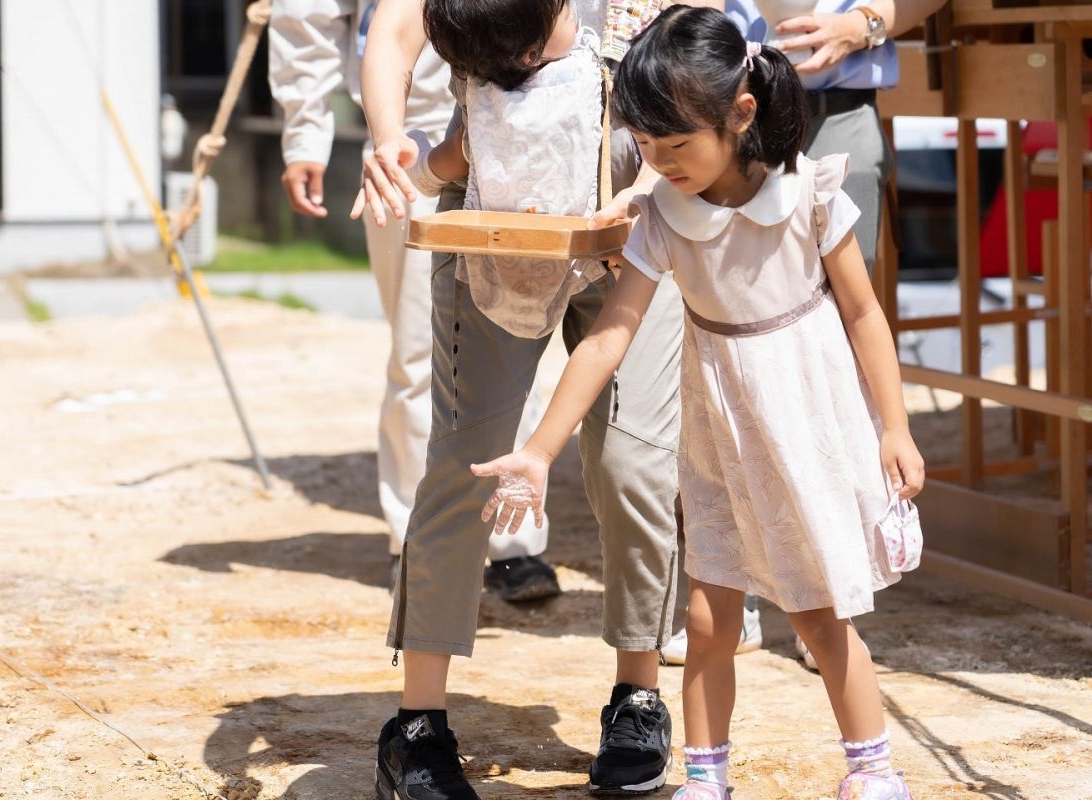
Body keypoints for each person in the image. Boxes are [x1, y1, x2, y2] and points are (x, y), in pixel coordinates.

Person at [473, 7, 925, 800]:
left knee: (820, 616)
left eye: (676, 145)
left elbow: (864, 314)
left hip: (804, 424)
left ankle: (873, 769)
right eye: (646, 147)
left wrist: (895, 427)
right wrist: (539, 449)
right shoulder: (661, 218)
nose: (661, 163)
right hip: (720, 440)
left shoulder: (813, 194)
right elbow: (610, 337)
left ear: (740, 113)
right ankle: (707, 778)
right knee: (710, 623)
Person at [357, 1, 693, 797]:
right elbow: (397, 27)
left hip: (635, 199)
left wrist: (653, 179)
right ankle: (417, 727)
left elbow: (697, 22)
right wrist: (387, 138)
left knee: (633, 459)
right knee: (463, 462)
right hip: (489, 199)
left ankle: (637, 694)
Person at [659, 0, 947, 669]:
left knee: (830, 347)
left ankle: (832, 592)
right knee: (730, 342)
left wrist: (870, 21)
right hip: (719, 102)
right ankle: (738, 589)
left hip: (839, 97)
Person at [267, 0, 562, 602]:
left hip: (531, 121)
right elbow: (311, 13)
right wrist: (306, 130)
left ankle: (514, 541)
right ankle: (414, 539)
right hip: (409, 132)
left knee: (520, 339)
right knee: (418, 352)